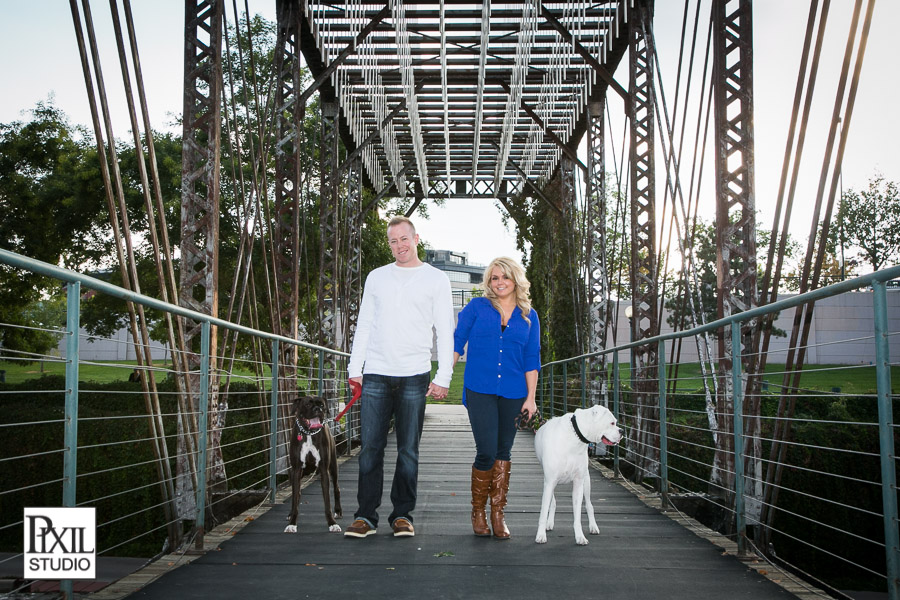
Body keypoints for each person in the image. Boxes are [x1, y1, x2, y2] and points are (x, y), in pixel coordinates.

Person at [344, 215, 455, 539]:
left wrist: (444, 375)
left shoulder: (436, 280)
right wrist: (355, 370)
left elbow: (444, 331)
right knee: (370, 449)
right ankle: (365, 516)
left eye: (404, 239)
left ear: (416, 238)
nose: (399, 246)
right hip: (376, 373)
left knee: (408, 450)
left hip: (414, 375)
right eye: (393, 241)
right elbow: (363, 325)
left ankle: (402, 515)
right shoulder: (377, 278)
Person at [453, 257, 540, 540]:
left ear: (515, 279)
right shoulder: (477, 308)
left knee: (504, 451)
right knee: (486, 451)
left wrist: (531, 398)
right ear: (489, 282)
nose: (499, 282)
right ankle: (478, 511)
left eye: (504, 277)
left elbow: (531, 358)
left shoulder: (529, 315)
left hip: (514, 392)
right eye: (494, 278)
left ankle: (498, 513)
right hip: (480, 388)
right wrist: (444, 376)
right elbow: (458, 340)